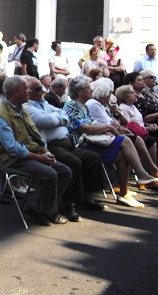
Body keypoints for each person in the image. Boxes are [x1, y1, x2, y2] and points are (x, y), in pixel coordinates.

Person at [0, 76, 73, 226]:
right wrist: (38, 157)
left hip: (30, 153)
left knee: (65, 171)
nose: (28, 92)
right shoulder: (0, 116)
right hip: (13, 159)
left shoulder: (21, 108)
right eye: (25, 89)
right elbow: (12, 148)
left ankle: (40, 208)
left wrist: (44, 151)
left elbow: (35, 135)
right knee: (50, 174)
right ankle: (48, 211)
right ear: (16, 91)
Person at [64, 75, 158, 207]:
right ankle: (142, 174)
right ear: (79, 91)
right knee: (125, 140)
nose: (92, 90)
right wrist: (108, 127)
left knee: (123, 155)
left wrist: (108, 126)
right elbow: (85, 128)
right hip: (79, 144)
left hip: (90, 141)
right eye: (88, 88)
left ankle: (124, 193)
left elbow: (92, 125)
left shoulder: (84, 106)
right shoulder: (72, 106)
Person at [23, 77, 106, 220]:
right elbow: (46, 121)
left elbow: (63, 114)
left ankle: (85, 197)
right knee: (73, 162)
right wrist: (58, 119)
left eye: (42, 88)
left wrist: (57, 118)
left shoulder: (44, 103)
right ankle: (67, 204)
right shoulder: (27, 107)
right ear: (28, 91)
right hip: (51, 146)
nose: (42, 91)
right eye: (38, 89)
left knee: (93, 158)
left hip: (67, 143)